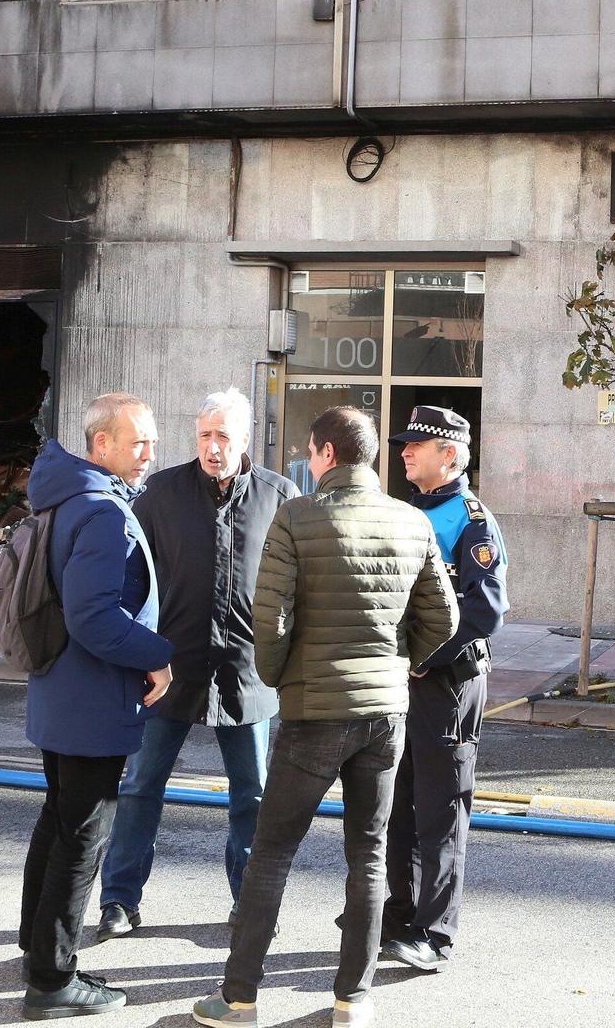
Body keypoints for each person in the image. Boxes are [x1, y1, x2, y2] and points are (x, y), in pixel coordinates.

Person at [191, 406, 458, 1028]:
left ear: (327, 456)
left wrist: (282, 675)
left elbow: (270, 617)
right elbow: (442, 619)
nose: (308, 465)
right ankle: (351, 1000)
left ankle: (238, 999)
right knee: (367, 855)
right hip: (384, 713)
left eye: (311, 454)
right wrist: (398, 662)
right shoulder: (411, 521)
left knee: (273, 852)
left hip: (314, 710)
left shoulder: (297, 516)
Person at [95, 388, 298, 940]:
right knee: (140, 786)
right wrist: (133, 650)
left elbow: (297, 589)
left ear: (246, 439)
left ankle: (249, 903)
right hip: (167, 669)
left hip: (249, 673)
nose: (212, 447)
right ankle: (119, 899)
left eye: (223, 437)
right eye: (205, 435)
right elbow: (129, 580)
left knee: (252, 795)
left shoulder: (280, 498)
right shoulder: (159, 494)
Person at [16, 392, 175, 1020]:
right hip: (92, 700)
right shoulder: (102, 513)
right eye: (137, 442)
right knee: (83, 838)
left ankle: (36, 948)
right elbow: (92, 616)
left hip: (61, 693)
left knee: (58, 822)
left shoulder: (64, 499)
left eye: (152, 442)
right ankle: (53, 980)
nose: (148, 454)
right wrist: (157, 653)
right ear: (100, 445)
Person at [381, 406, 508, 973]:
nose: (404, 452)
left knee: (441, 808)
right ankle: (401, 915)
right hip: (405, 679)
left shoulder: (472, 520)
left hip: (446, 682)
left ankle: (434, 934)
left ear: (449, 455)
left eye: (416, 445)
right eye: (404, 444)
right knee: (398, 804)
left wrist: (423, 660)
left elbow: (484, 611)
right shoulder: (409, 509)